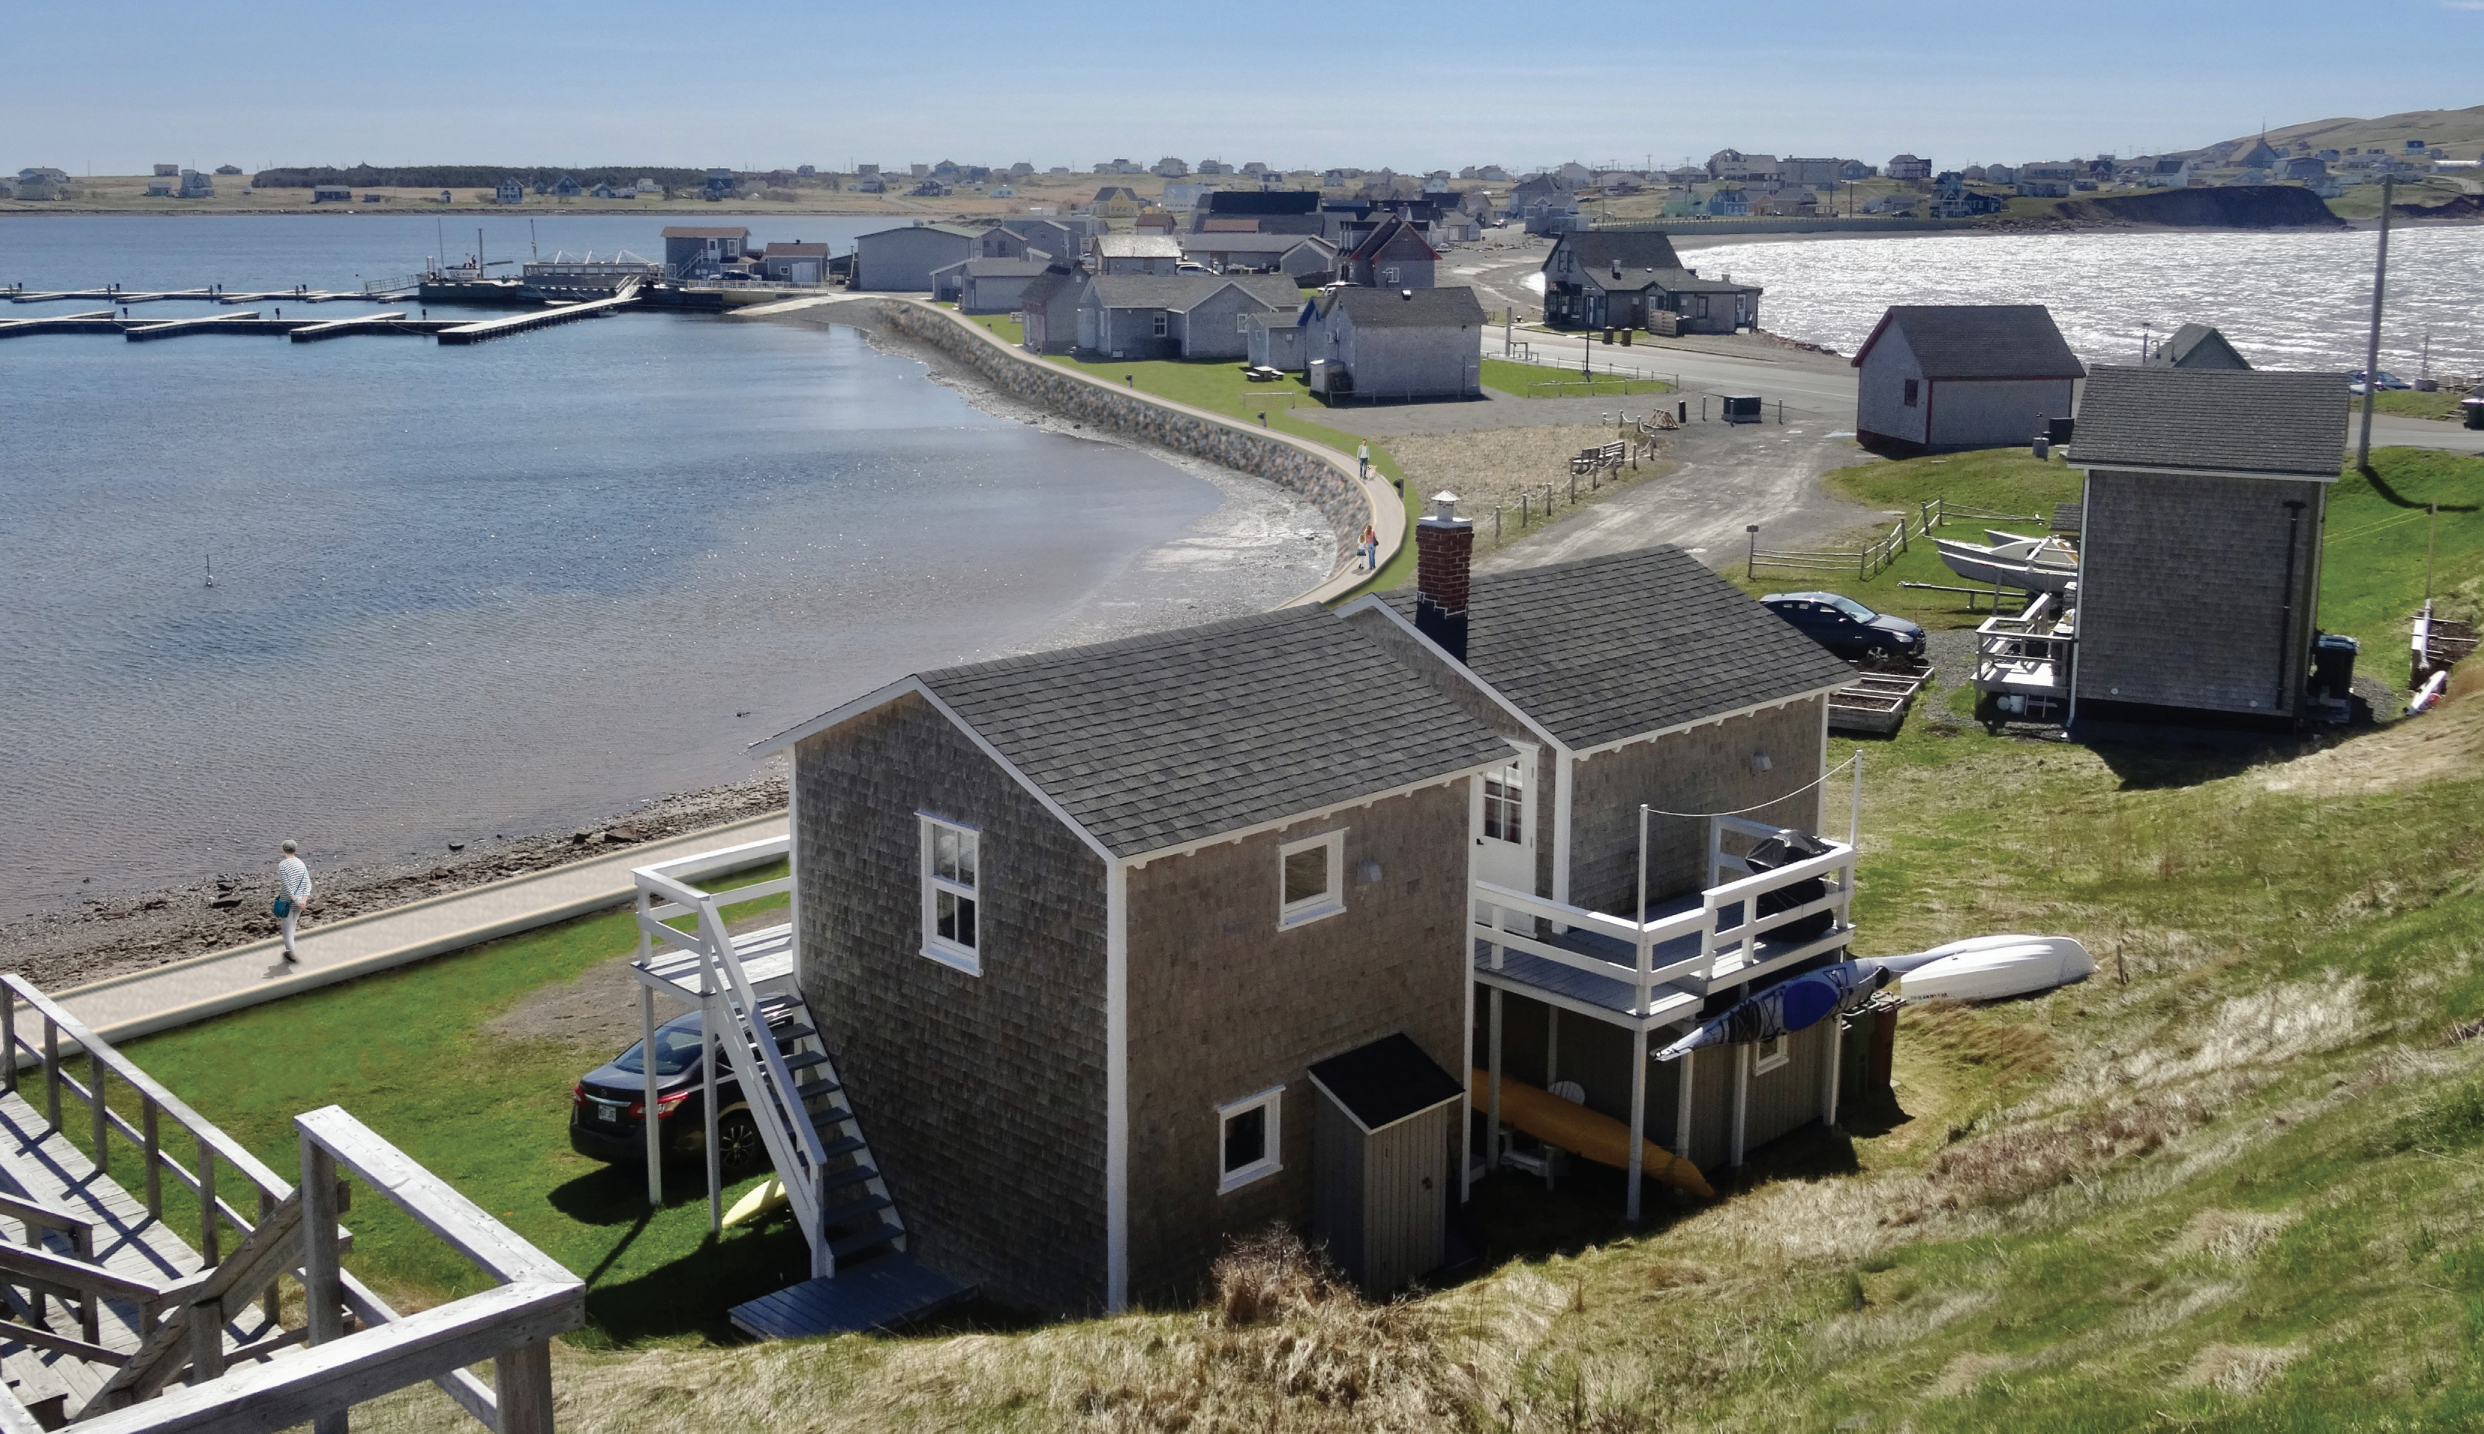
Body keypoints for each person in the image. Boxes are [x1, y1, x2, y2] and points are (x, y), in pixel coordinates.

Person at [275, 840, 313, 963]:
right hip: (300, 902)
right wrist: (303, 901)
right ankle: (291, 948)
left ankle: (291, 954)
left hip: (287, 902)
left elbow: (286, 886)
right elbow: (308, 883)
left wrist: (296, 901)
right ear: (296, 850)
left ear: (283, 850)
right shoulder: (301, 864)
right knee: (293, 925)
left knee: (286, 929)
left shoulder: (282, 865)